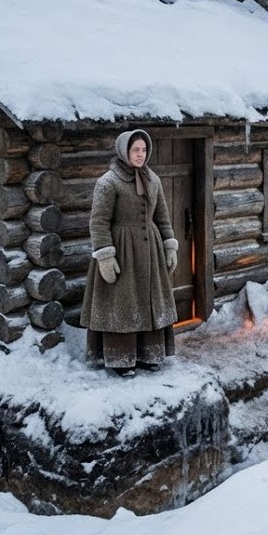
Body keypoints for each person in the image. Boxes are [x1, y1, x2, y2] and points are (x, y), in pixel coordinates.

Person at [80, 129, 179, 373]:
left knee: (148, 301)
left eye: (143, 150)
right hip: (122, 251)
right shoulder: (108, 182)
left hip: (151, 252)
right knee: (122, 305)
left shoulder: (153, 180)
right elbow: (98, 221)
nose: (140, 154)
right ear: (124, 151)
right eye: (135, 150)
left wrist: (169, 245)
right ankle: (121, 359)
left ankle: (148, 354)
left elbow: (162, 217)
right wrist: (105, 254)